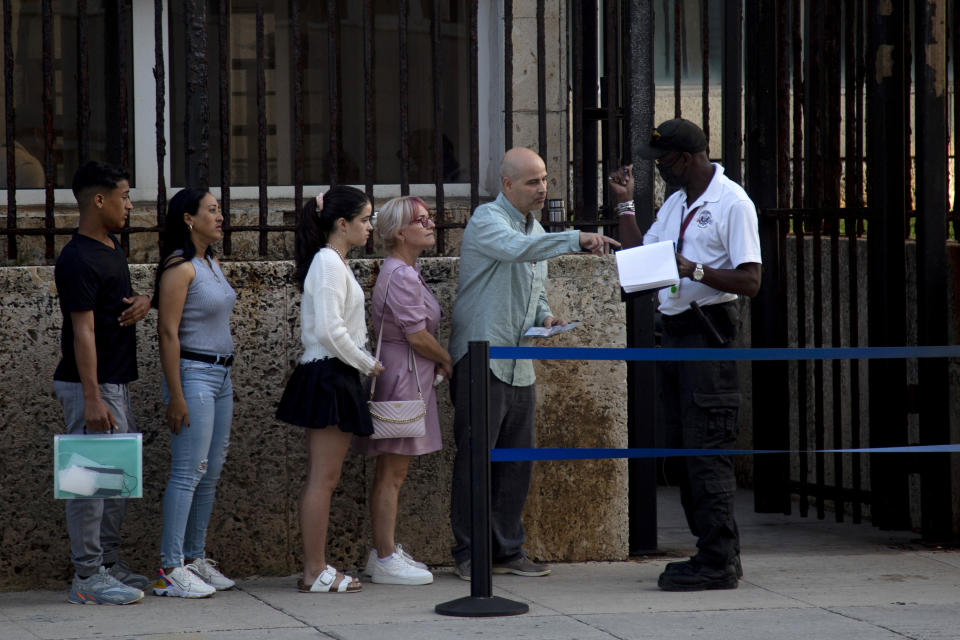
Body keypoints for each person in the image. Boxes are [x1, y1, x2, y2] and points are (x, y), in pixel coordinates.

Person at [448, 147, 619, 580]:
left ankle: (507, 551)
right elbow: (518, 251)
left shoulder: (535, 228)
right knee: (476, 460)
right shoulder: (489, 221)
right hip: (481, 359)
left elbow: (535, 285)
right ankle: (470, 555)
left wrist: (546, 316)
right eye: (531, 181)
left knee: (516, 461)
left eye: (544, 179)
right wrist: (576, 238)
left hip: (518, 360)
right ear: (507, 185)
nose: (542, 188)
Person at [609, 118, 762, 591]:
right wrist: (626, 206)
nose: (660, 171)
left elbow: (751, 281)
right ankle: (709, 551)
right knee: (680, 452)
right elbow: (643, 259)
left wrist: (694, 267)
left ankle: (719, 559)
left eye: (664, 162)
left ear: (687, 158)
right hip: (673, 336)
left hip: (708, 338)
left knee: (706, 451)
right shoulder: (676, 204)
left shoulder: (732, 203)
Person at [275, 186, 383, 593]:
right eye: (365, 219)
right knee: (323, 477)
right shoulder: (327, 262)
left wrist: (361, 362)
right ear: (342, 224)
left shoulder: (333, 261)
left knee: (327, 476)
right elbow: (328, 329)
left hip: (334, 373)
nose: (370, 227)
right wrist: (368, 363)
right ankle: (314, 569)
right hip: (328, 373)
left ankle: (316, 568)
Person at [53, 161, 151, 605]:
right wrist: (93, 397)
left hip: (116, 381)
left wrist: (145, 301)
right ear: (99, 199)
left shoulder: (111, 246)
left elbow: (117, 304)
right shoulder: (76, 258)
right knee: (88, 485)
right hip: (90, 386)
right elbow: (83, 331)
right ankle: (87, 577)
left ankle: (107, 564)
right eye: (124, 196)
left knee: (114, 482)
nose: (129, 205)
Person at [354, 196, 450, 586]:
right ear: (398, 232)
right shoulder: (402, 275)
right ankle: (385, 555)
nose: (430, 225)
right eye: (420, 220)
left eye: (429, 218)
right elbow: (416, 335)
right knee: (393, 471)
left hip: (407, 374)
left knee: (394, 470)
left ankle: (386, 549)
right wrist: (447, 359)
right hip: (404, 376)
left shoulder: (403, 270)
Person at [151, 188, 237, 599]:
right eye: (212, 210)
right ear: (188, 218)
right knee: (188, 471)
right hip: (194, 374)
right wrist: (176, 393)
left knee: (211, 470)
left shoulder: (210, 262)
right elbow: (167, 332)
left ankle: (194, 556)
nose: (219, 217)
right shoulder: (180, 268)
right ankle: (170, 567)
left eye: (219, 210)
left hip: (222, 377)